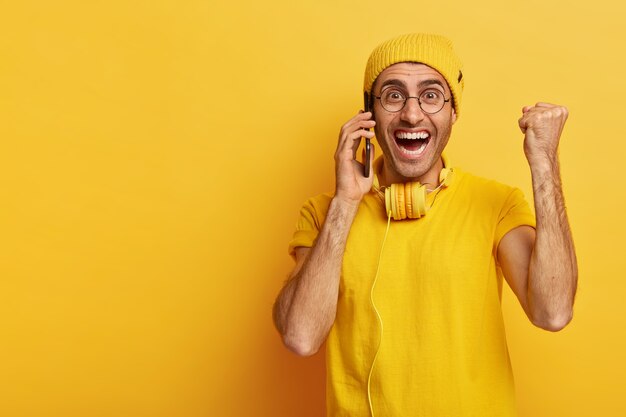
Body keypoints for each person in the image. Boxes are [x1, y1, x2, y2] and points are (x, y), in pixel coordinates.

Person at [272, 33, 577, 417]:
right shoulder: (324, 213)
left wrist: (545, 162)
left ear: (453, 112)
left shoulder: (497, 205)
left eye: (431, 95)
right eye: (394, 95)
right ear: (368, 115)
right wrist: (345, 202)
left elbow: (553, 313)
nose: (412, 115)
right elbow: (300, 337)